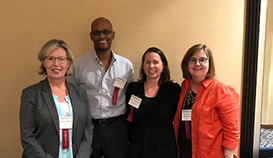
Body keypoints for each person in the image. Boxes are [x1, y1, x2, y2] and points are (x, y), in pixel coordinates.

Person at [66, 17, 134, 158]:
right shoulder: (78, 65)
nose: (101, 36)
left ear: (113, 35)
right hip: (89, 128)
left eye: (106, 32)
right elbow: (70, 99)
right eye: (96, 32)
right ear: (91, 36)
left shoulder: (126, 66)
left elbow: (129, 95)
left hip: (117, 127)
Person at [20, 39, 93, 158]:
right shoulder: (31, 95)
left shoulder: (81, 93)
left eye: (61, 59)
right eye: (50, 58)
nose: (56, 64)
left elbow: (88, 128)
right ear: (43, 62)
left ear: (68, 62)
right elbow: (27, 136)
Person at [173, 44, 240, 158]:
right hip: (185, 151)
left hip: (210, 153)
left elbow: (232, 129)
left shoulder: (221, 89)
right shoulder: (186, 85)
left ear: (210, 63)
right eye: (193, 60)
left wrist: (228, 155)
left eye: (202, 60)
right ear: (187, 64)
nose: (197, 64)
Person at [125, 47, 181, 158]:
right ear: (143, 66)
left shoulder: (173, 90)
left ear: (163, 65)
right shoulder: (133, 89)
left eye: (155, 62)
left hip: (164, 147)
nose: (151, 66)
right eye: (147, 62)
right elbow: (128, 116)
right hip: (137, 146)